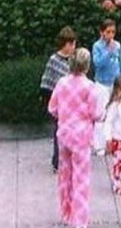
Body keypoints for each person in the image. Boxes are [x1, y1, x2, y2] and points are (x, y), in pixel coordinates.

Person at [48, 47, 104, 228]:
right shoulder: (90, 88)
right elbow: (97, 113)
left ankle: (66, 213)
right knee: (81, 179)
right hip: (81, 138)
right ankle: (79, 221)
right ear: (87, 66)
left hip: (64, 135)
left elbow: (52, 108)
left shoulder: (61, 83)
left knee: (65, 177)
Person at [40, 26, 78, 173]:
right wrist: (48, 101)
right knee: (59, 132)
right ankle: (57, 161)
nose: (73, 47)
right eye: (72, 44)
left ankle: (71, 159)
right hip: (60, 103)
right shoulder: (54, 60)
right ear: (66, 44)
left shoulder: (74, 60)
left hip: (73, 103)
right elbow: (47, 81)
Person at [91, 18, 121, 154]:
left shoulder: (117, 45)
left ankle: (115, 143)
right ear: (102, 33)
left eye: (113, 32)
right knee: (101, 115)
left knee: (116, 114)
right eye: (108, 32)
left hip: (115, 83)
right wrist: (108, 51)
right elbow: (98, 63)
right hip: (102, 84)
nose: (111, 35)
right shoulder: (97, 46)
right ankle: (99, 145)